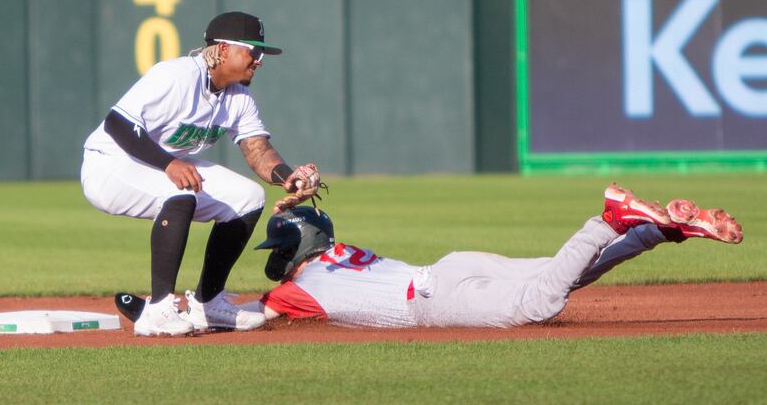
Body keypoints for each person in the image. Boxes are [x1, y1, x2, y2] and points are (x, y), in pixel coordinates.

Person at [81, 11, 323, 336]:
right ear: (223, 49)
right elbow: (117, 124)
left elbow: (258, 150)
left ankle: (208, 305)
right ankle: (160, 309)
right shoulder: (177, 76)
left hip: (158, 166)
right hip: (108, 165)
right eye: (254, 50)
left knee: (247, 198)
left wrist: (287, 177)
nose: (259, 60)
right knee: (179, 190)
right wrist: (169, 164)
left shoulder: (238, 97)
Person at [241, 184, 742, 328]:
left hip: (433, 301)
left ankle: (610, 219)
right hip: (451, 267)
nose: (278, 256)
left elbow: (250, 317)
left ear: (298, 250)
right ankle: (661, 233)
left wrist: (187, 311)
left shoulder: (298, 289)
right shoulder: (341, 253)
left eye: (282, 246)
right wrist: (293, 205)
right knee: (564, 274)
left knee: (539, 304)